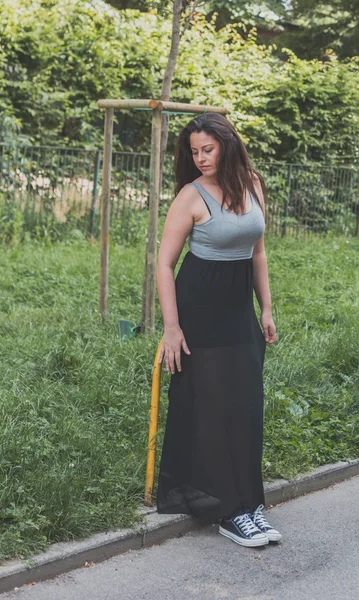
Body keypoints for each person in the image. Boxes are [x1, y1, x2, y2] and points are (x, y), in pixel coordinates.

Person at [155, 113, 281, 548]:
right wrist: (171, 328)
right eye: (194, 151)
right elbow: (164, 265)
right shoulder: (190, 197)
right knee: (213, 409)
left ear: (227, 144)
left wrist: (266, 308)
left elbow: (258, 253)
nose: (200, 157)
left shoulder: (253, 183)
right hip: (199, 312)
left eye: (207, 149)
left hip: (239, 310)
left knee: (246, 404)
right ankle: (228, 510)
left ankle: (249, 503)